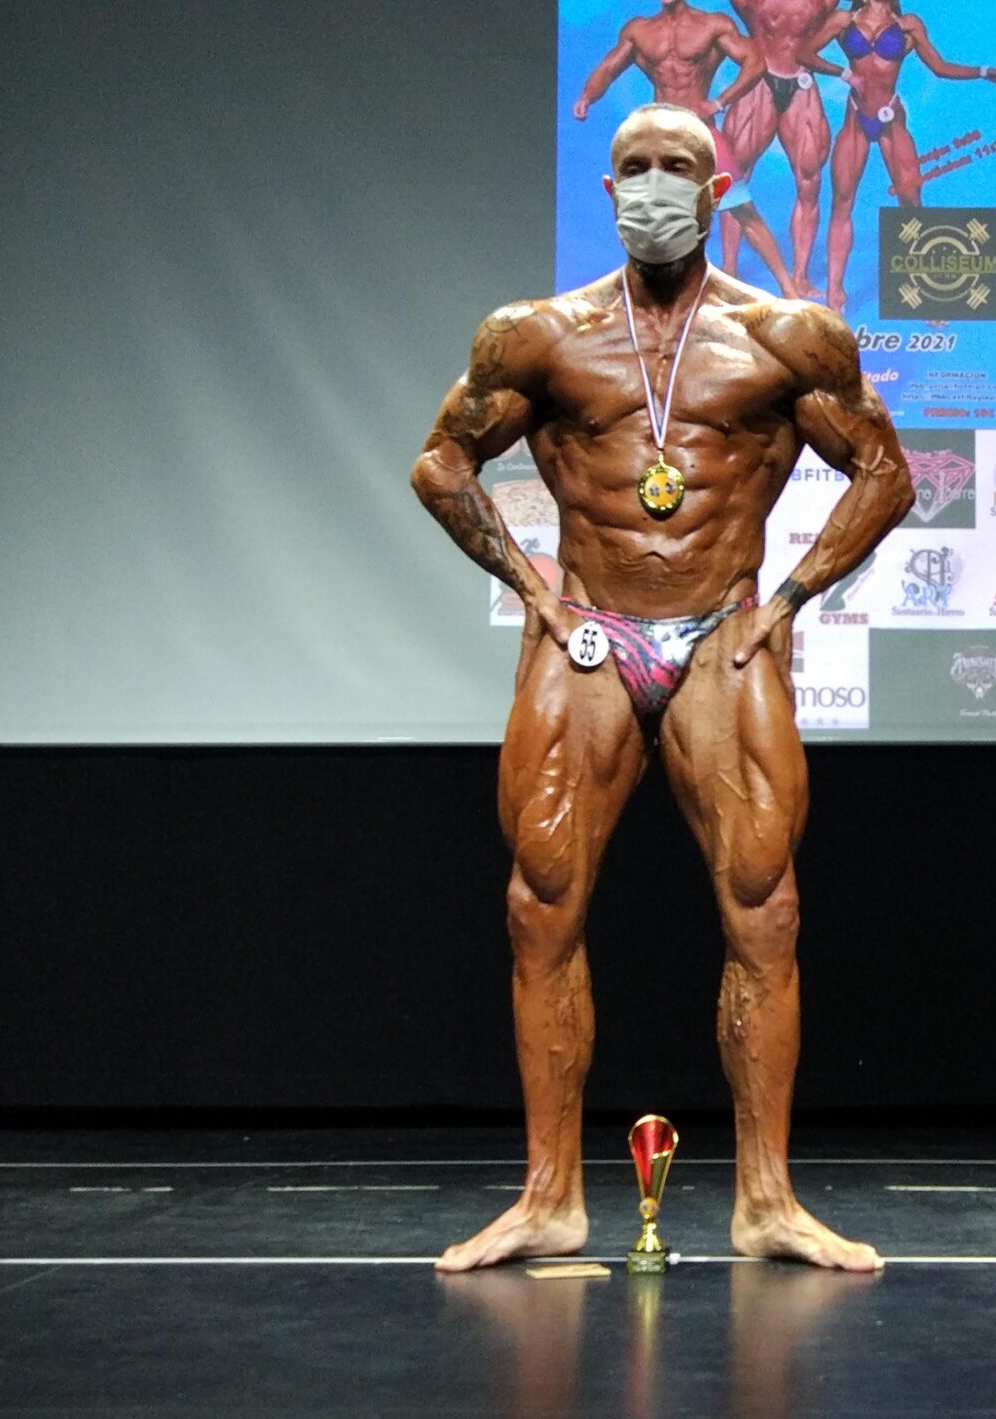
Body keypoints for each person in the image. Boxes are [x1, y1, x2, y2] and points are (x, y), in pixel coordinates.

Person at [412, 102, 914, 1272]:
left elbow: (883, 474)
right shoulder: (537, 337)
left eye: (673, 166)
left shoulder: (788, 338)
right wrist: (531, 587)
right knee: (540, 904)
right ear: (606, 189)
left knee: (765, 909)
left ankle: (767, 1202)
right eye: (632, 166)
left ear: (716, 183)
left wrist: (787, 603)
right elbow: (441, 463)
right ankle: (549, 1198)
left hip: (720, 632)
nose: (652, 184)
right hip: (589, 628)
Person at [574, 0, 801, 298]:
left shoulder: (712, 25)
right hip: (660, 135)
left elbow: (755, 62)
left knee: (744, 211)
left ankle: (789, 290)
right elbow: (607, 69)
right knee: (652, 218)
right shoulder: (640, 30)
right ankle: (656, 296)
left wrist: (719, 102)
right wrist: (587, 97)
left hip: (700, 132)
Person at [811, 0, 996, 309]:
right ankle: (834, 292)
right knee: (842, 203)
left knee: (912, 203)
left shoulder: (908, 25)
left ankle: (929, 294)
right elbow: (804, 53)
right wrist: (845, 74)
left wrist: (981, 71)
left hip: (892, 121)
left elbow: (939, 67)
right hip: (855, 120)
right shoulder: (843, 20)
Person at [720, 0, 845, 297]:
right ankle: (729, 271)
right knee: (735, 177)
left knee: (810, 180)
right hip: (758, 81)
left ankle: (800, 277)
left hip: (801, 83)